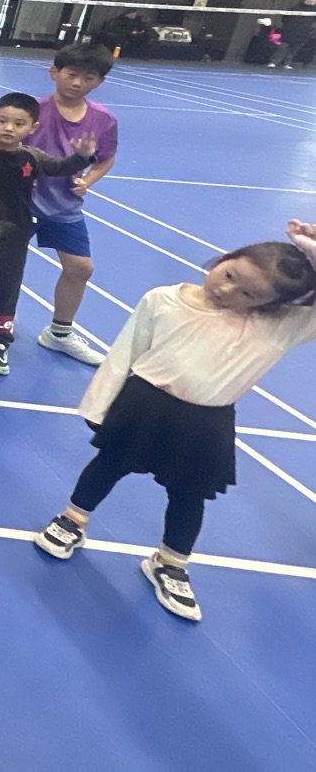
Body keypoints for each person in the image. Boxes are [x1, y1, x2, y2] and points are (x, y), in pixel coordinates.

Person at [32, 224, 316, 623]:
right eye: (230, 274)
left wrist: (312, 252)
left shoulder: (277, 328)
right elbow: (125, 353)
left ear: (272, 306)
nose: (227, 291)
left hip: (207, 423)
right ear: (225, 258)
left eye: (249, 295)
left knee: (189, 496)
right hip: (144, 405)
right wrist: (99, 407)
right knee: (108, 465)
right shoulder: (164, 299)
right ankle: (73, 520)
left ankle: (170, 562)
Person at [0, 92, 98, 375]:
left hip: (15, 233)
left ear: (32, 128)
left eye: (19, 124)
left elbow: (59, 167)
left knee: (7, 286)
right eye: (3, 121)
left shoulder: (31, 157)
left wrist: (82, 157)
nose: (9, 128)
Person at [26, 43, 118, 364]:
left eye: (88, 77)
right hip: (21, 203)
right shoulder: (34, 111)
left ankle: (59, 334)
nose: (77, 83)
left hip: (65, 206)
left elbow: (106, 158)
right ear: (55, 73)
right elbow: (4, 144)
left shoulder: (103, 120)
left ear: (99, 82)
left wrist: (88, 180)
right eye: (72, 74)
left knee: (80, 269)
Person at [269, 0, 316, 68]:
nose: (312, 0)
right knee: (283, 48)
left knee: (293, 50)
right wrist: (288, 26)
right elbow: (285, 18)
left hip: (303, 33)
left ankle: (286, 63)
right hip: (290, 31)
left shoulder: (314, 11)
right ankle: (274, 62)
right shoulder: (296, 8)